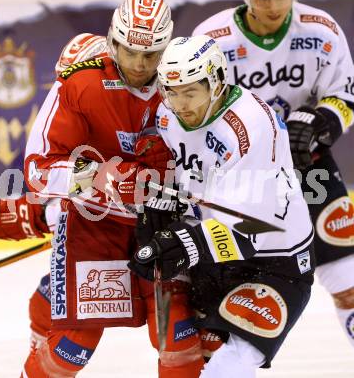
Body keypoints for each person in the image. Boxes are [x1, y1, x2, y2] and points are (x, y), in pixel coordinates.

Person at [21, 0, 205, 378]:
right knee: (70, 348)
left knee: (180, 341)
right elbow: (39, 167)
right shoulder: (81, 83)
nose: (139, 65)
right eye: (129, 52)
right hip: (96, 226)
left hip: (164, 227)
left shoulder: (186, 80)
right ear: (113, 40)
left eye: (152, 54)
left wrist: (176, 185)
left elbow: (215, 158)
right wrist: (102, 177)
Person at [129, 34, 315, 377]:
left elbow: (249, 229)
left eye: (190, 91)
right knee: (201, 354)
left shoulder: (252, 127)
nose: (180, 103)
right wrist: (160, 201)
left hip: (276, 258)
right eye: (171, 91)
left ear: (216, 82)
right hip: (215, 252)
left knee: (233, 364)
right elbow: (185, 176)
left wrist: (181, 243)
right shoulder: (168, 116)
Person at [192, 0, 354, 348]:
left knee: (350, 286)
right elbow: (186, 114)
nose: (273, 6)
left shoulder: (321, 30)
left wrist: (318, 121)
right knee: (224, 311)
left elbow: (344, 95)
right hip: (237, 181)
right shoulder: (210, 42)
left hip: (307, 169)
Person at [0, 33, 107, 352]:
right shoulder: (73, 118)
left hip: (142, 248)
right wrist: (31, 212)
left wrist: (34, 217)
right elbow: (73, 189)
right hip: (98, 237)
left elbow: (115, 198)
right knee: (44, 304)